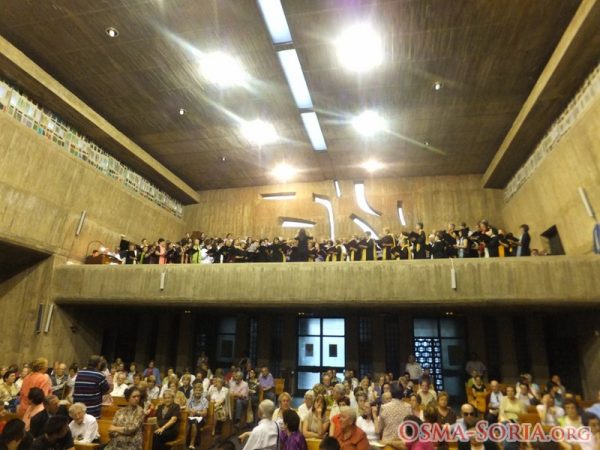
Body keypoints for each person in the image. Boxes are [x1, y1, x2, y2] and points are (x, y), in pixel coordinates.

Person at [187, 384, 208, 450]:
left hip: (201, 418)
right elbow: (187, 409)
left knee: (194, 422)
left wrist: (196, 412)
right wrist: (191, 411)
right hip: (191, 417)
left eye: (199, 390)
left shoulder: (204, 400)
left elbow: (205, 413)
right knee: (188, 421)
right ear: (193, 391)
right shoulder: (190, 399)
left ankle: (192, 442)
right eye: (196, 390)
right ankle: (186, 441)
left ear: (201, 392)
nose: (198, 392)